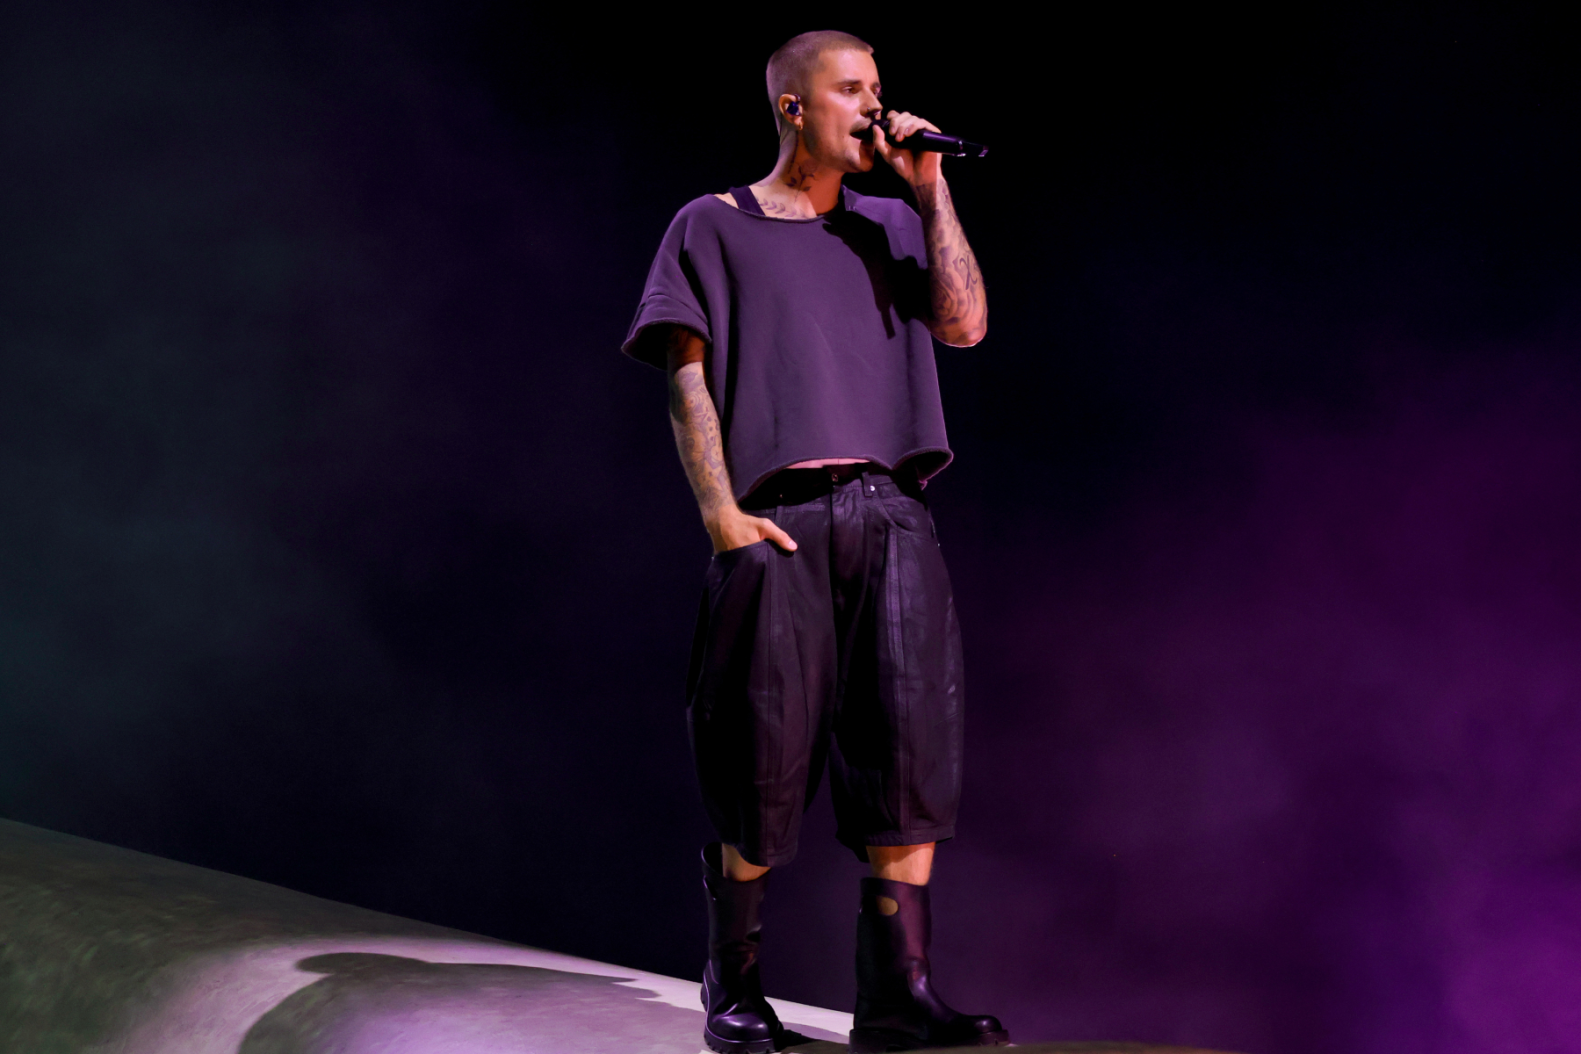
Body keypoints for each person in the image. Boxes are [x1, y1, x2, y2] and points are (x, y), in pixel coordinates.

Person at [622, 29, 1007, 1054]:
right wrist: (719, 514)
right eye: (850, 90)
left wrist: (930, 188)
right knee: (758, 749)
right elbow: (686, 375)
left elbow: (965, 324)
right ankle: (735, 983)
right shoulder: (712, 224)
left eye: (878, 88)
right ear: (794, 106)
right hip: (777, 520)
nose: (874, 108)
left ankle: (897, 995)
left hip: (890, 511)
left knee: (910, 746)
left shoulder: (892, 224)